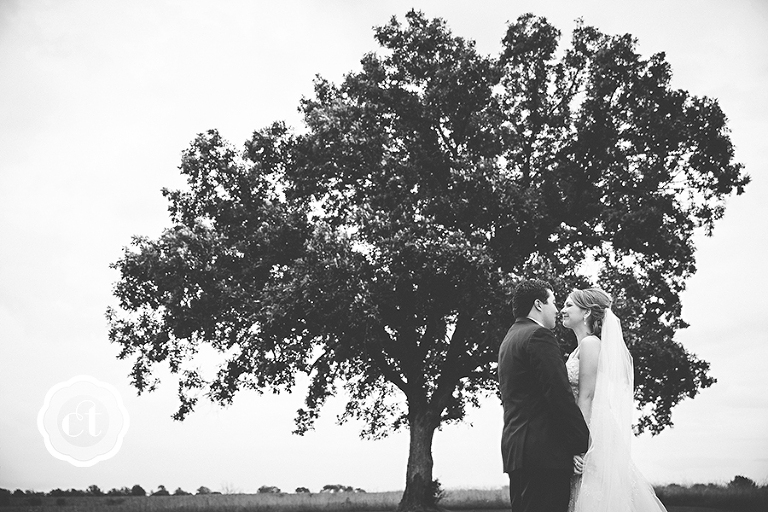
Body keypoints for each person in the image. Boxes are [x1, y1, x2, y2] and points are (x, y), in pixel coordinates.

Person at [562, 287, 668, 512]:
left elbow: (587, 397)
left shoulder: (590, 344)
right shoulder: (578, 350)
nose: (563, 309)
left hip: (591, 431)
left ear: (586, 313)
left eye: (569, 305)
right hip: (589, 426)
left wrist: (578, 446)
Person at [498, 279, 590, 512]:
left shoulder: (510, 338)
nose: (557, 310)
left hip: (518, 452)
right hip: (544, 455)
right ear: (538, 304)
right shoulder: (539, 336)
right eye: (554, 302)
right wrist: (580, 445)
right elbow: (559, 396)